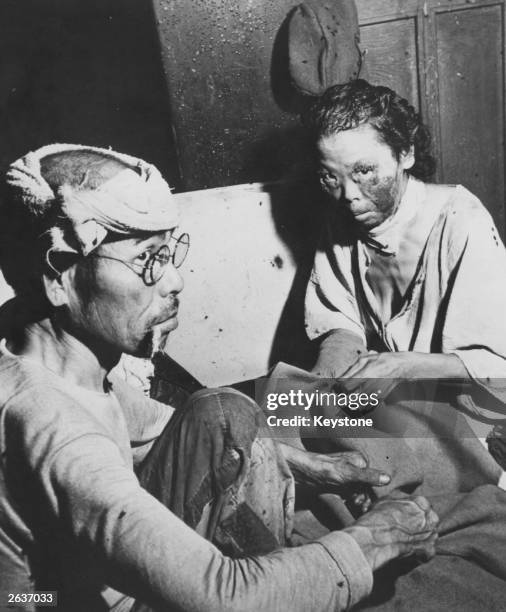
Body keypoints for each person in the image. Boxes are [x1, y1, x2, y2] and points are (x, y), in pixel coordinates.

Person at [0, 144, 440, 612]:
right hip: (52, 603)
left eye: (169, 253)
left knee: (224, 411)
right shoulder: (57, 431)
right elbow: (226, 596)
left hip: (65, 582)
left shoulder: (47, 357)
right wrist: (373, 540)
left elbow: (156, 425)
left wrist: (307, 464)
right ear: (58, 277)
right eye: (147, 259)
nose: (174, 282)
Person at [300, 79, 506, 493]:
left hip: (480, 408)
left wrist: (403, 365)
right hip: (402, 399)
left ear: (406, 154)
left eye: (364, 171)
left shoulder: (460, 220)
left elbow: (498, 365)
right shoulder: (342, 218)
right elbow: (341, 322)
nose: (348, 195)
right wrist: (322, 381)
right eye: (330, 177)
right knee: (283, 413)